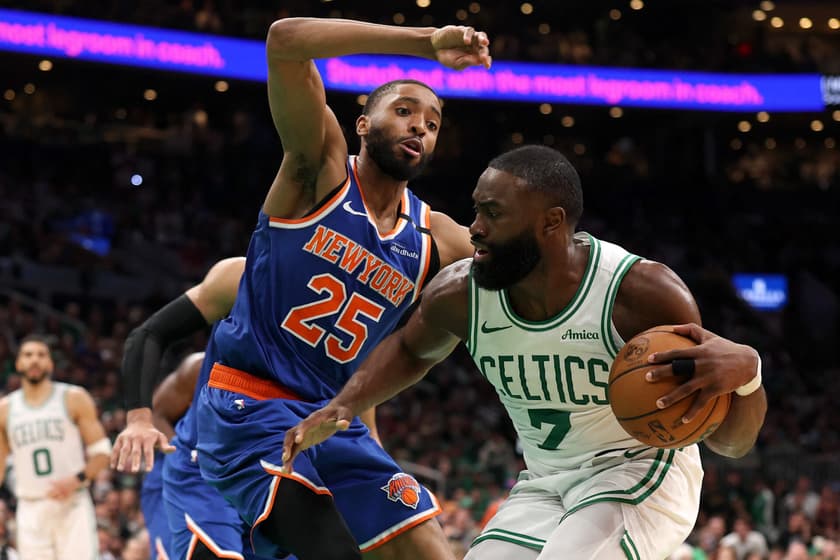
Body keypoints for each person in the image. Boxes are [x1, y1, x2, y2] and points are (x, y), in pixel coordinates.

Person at [282, 145, 768, 560]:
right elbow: (411, 350)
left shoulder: (639, 294)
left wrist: (748, 375)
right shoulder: (461, 295)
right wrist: (343, 405)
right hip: (545, 481)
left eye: (492, 213)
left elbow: (730, 442)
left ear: (550, 222)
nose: (473, 228)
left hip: (641, 471)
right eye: (476, 210)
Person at [193, 16, 492, 560]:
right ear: (361, 124)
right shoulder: (319, 171)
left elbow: (528, 272)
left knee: (428, 549)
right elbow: (284, 41)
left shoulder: (438, 235)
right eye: (403, 111)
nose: (419, 127)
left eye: (432, 122)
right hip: (248, 404)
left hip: (333, 421)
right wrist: (424, 43)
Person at [112, 257, 313, 559]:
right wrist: (148, 428)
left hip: (267, 479)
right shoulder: (199, 368)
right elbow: (158, 408)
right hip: (198, 470)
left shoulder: (326, 365)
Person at [0, 334, 111, 560]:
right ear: (18, 363)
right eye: (28, 355)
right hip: (30, 507)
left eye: (41, 355)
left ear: (50, 363)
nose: (35, 360)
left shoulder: (74, 397)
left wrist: (76, 479)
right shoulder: (5, 409)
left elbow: (102, 453)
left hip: (72, 503)